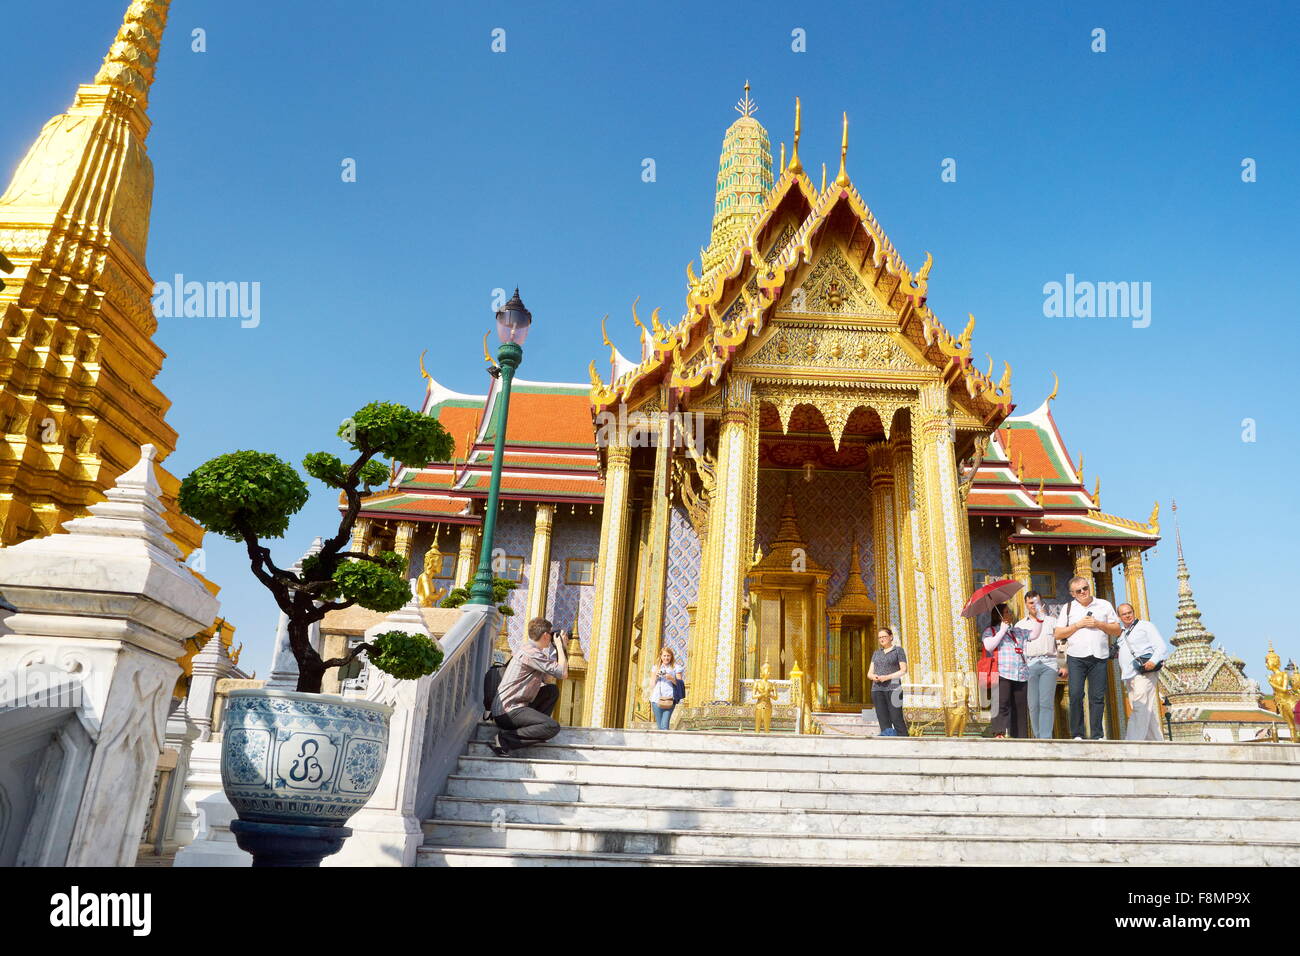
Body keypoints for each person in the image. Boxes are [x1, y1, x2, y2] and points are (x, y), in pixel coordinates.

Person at [488, 616, 567, 756]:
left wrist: (558, 650)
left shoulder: (531, 651)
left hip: (516, 707)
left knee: (551, 690)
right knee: (552, 727)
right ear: (545, 635)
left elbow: (549, 679)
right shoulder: (531, 653)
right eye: (550, 634)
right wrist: (561, 646)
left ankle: (535, 731)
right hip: (507, 711)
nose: (551, 637)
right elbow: (562, 673)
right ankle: (505, 739)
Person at [1055, 576, 1121, 739]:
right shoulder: (1068, 608)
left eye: (1085, 588)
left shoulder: (1104, 605)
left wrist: (1098, 624)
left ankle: (1097, 734)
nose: (1083, 592)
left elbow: (1117, 630)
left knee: (1097, 697)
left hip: (1099, 656)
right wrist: (1078, 625)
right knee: (1076, 695)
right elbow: (1058, 633)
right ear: (1073, 594)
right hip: (1076, 656)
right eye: (1079, 591)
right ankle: (1078, 733)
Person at [1116, 603, 1168, 741]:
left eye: (1129, 612)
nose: (1127, 615)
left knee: (1140, 706)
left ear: (1133, 612)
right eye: (1124, 614)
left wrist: (1153, 661)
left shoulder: (1145, 626)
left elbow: (1161, 646)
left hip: (1144, 673)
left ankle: (1132, 741)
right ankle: (1157, 743)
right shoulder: (1122, 633)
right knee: (1145, 710)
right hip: (1129, 675)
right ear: (1119, 617)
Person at [982, 602, 1034, 738]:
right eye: (1006, 612)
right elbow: (989, 646)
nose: (1010, 615)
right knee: (1001, 702)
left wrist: (1039, 618)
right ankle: (998, 732)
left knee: (1020, 706)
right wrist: (1002, 631)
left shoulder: (1016, 631)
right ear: (998, 615)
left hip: (1019, 672)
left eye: (1010, 612)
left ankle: (1020, 735)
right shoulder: (990, 631)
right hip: (1001, 671)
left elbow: (1034, 635)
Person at [1020, 591, 1064, 739]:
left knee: (1046, 702)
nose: (1034, 606)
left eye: (1036, 602)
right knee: (1033, 704)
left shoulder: (1052, 621)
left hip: (1049, 664)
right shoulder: (1020, 625)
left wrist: (1063, 665)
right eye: (1031, 603)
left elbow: (1061, 643)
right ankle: (1037, 735)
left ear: (1042, 603)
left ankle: (1045, 737)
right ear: (1026, 605)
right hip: (1029, 664)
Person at [867, 627, 908, 736]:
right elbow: (869, 673)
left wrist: (887, 677)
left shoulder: (898, 650)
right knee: (883, 719)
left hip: (894, 688)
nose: (882, 639)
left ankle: (905, 742)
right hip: (877, 689)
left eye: (884, 636)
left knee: (896, 717)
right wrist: (874, 677)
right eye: (879, 637)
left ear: (891, 637)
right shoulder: (876, 653)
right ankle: (888, 742)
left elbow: (903, 670)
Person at [646, 646, 684, 730]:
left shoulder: (676, 667)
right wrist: (656, 676)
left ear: (671, 657)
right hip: (656, 700)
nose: (666, 658)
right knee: (660, 727)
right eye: (664, 655)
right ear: (661, 656)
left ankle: (666, 742)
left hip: (670, 699)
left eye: (668, 656)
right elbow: (652, 685)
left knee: (664, 726)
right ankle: (661, 742)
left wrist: (670, 678)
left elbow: (680, 684)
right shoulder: (656, 667)